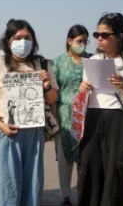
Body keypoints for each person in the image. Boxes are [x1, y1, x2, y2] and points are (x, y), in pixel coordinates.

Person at [0, 19, 58, 206]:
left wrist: (46, 87)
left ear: (34, 40)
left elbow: (53, 98)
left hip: (34, 132)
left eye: (27, 37)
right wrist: (0, 125)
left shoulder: (42, 64)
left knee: (32, 184)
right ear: (8, 42)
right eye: (18, 38)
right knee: (6, 186)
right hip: (7, 131)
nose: (23, 42)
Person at [77, 12, 123, 206]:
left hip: (121, 119)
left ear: (120, 36)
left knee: (116, 172)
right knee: (89, 168)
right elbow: (84, 93)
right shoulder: (93, 59)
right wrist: (82, 89)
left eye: (105, 35)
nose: (99, 39)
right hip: (93, 116)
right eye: (97, 35)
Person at [50, 24, 92, 206]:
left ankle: (85, 193)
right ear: (69, 41)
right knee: (65, 158)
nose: (83, 44)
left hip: (89, 114)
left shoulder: (92, 60)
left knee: (86, 157)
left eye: (85, 41)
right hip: (65, 114)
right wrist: (54, 120)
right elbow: (53, 93)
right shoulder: (58, 62)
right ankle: (65, 196)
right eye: (79, 41)